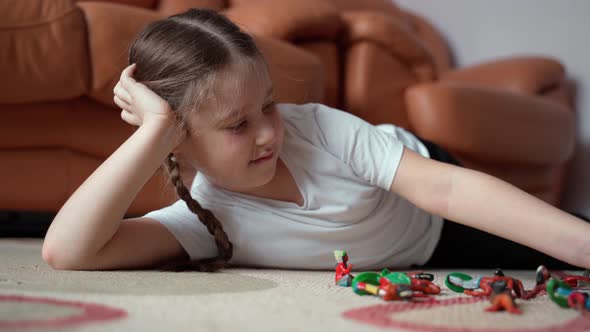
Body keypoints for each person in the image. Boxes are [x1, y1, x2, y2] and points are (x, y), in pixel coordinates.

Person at [42, 8, 590, 272]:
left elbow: (446, 192)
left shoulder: (321, 129)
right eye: (237, 125)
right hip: (414, 252)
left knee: (558, 239)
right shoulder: (202, 220)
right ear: (179, 142)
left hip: (430, 204)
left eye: (269, 105)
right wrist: (156, 131)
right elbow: (68, 252)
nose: (267, 132)